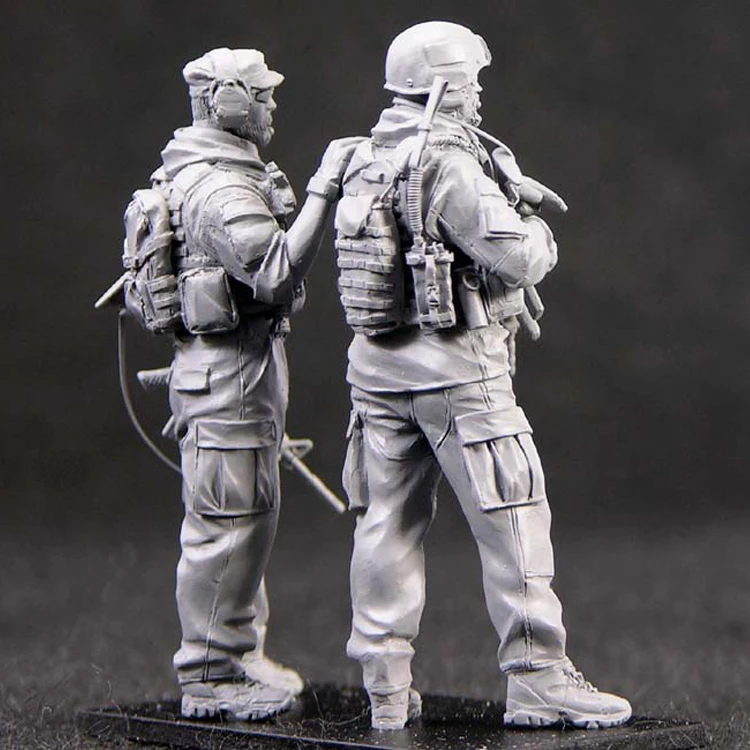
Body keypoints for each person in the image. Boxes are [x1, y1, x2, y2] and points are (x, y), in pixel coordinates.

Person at [333, 22, 632, 730]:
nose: (478, 94)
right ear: (443, 86)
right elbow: (517, 258)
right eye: (470, 81)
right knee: (514, 520)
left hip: (377, 375)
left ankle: (384, 687)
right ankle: (537, 677)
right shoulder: (446, 163)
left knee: (386, 525)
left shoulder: (366, 156)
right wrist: (538, 230)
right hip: (460, 376)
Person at [145, 47, 358, 721]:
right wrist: (324, 190)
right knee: (227, 526)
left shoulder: (223, 176)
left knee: (248, 520)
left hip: (242, 369)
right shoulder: (220, 191)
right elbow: (272, 273)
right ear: (227, 102)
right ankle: (209, 671)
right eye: (261, 96)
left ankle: (235, 650)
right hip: (227, 377)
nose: (271, 106)